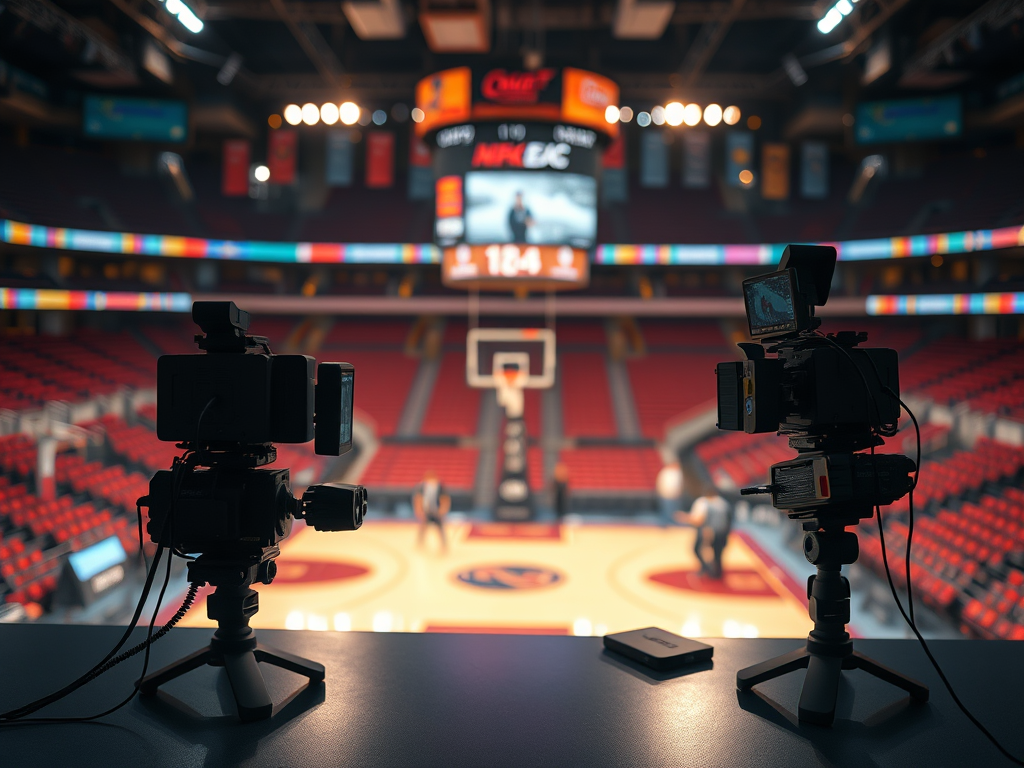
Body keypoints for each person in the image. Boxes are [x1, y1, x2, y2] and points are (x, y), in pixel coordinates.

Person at [676, 491, 733, 579]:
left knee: (699, 550)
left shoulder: (708, 505)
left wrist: (685, 518)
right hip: (722, 533)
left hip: (712, 532)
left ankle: (710, 572)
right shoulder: (724, 504)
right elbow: (730, 520)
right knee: (718, 554)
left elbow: (701, 520)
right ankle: (717, 574)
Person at [413, 470, 450, 553]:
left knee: (440, 529)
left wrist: (442, 510)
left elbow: (445, 499)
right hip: (426, 511)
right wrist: (419, 510)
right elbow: (418, 498)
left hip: (436, 511)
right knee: (423, 528)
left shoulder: (440, 487)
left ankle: (443, 545)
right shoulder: (422, 487)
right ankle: (420, 544)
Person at [655, 461, 684, 527]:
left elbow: (681, 484)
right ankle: (665, 524)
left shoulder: (678, 472)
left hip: (675, 496)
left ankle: (674, 524)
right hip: (666, 495)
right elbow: (660, 483)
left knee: (675, 512)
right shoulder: (665, 472)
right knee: (665, 511)